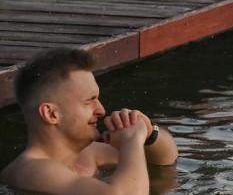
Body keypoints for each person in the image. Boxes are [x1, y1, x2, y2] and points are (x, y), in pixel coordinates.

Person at [1, 48, 179, 195]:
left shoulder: (90, 154)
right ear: (51, 114)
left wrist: (147, 132)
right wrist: (132, 140)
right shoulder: (31, 171)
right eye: (89, 101)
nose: (101, 110)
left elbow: (166, 159)